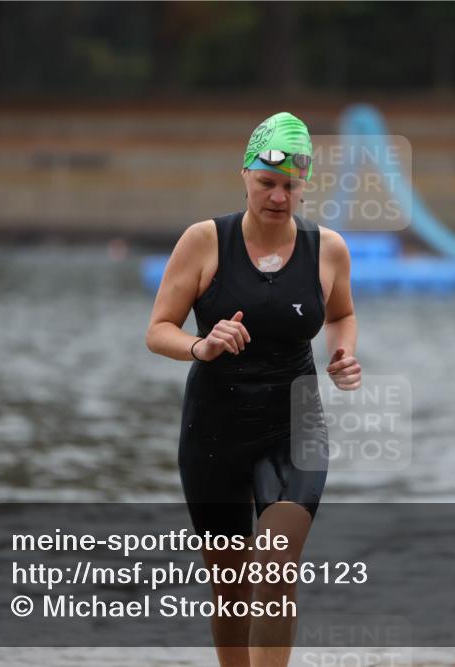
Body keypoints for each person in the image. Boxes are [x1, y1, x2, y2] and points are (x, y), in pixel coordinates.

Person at [145, 111, 360, 667]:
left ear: (303, 185)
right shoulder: (203, 241)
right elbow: (157, 330)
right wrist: (202, 345)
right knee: (232, 587)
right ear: (244, 174)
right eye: (267, 183)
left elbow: (342, 313)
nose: (278, 197)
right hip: (215, 428)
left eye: (290, 185)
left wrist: (343, 353)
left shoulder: (327, 248)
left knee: (276, 569)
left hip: (295, 422)